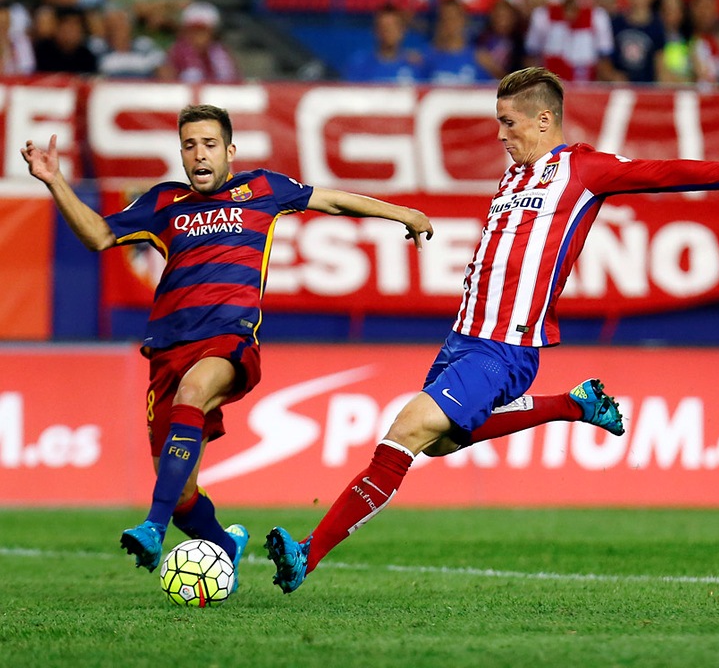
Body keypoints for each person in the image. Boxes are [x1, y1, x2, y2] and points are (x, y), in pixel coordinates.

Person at [264, 66, 719, 594]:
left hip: (507, 347)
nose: (501, 134)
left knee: (405, 431)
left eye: (509, 122)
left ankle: (306, 554)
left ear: (544, 120)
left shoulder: (582, 169)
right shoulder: (512, 180)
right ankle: (575, 405)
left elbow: (661, 173)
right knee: (439, 444)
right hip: (462, 340)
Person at [20, 104, 434, 586]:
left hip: (228, 341)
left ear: (230, 151)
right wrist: (53, 180)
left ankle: (153, 529)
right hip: (168, 349)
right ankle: (223, 545)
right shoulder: (162, 203)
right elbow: (96, 236)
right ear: (180, 153)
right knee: (181, 493)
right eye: (190, 145)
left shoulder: (262, 190)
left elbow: (335, 201)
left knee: (194, 394)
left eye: (210, 144)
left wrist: (403, 212)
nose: (200, 154)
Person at [524, 0, 615, 83]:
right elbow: (531, 56)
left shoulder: (598, 16)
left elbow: (604, 60)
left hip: (585, 87)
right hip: (551, 87)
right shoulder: (542, 15)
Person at [159, 0, 240, 83]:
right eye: (193, 30)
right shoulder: (175, 54)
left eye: (203, 30)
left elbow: (234, 82)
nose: (198, 35)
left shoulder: (221, 53)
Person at [609, 0, 665, 83]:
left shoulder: (658, 26)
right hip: (618, 90)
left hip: (647, 91)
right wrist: (612, 75)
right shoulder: (615, 23)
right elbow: (604, 61)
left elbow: (660, 64)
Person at [420, 0, 491, 85]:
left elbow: (505, 89)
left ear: (463, 20)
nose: (450, 23)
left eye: (454, 18)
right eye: (445, 18)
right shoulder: (427, 57)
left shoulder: (479, 57)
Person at [344, 3, 422, 83]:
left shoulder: (416, 64)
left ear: (402, 31)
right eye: (384, 27)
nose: (389, 32)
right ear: (375, 31)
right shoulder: (360, 64)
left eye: (394, 27)